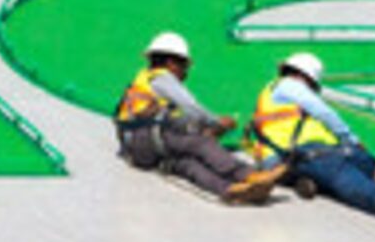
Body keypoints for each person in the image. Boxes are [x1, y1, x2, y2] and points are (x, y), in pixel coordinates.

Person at [114, 31, 277, 203]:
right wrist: (217, 122)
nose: (186, 72)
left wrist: (202, 128)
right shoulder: (162, 78)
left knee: (188, 164)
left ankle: (229, 189)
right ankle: (248, 174)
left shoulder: (145, 79)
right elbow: (191, 108)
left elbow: (173, 119)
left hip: (137, 149)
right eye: (184, 66)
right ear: (171, 64)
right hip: (146, 138)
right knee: (201, 143)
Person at [249, 52, 375, 218]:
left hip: (315, 150)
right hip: (298, 152)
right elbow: (323, 112)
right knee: (336, 168)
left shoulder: (283, 92)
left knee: (363, 161)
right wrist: (350, 139)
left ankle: (314, 183)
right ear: (303, 75)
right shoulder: (288, 85)